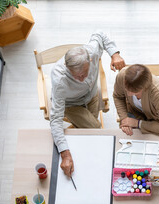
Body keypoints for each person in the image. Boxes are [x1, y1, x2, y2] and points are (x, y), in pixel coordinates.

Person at [50, 31, 125, 177]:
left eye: (84, 73)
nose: (82, 79)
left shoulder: (91, 51)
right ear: (67, 68)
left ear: (90, 60)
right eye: (76, 76)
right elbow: (55, 119)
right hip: (71, 104)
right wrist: (65, 154)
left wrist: (114, 54)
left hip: (91, 95)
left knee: (90, 130)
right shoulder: (59, 81)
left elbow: (99, 34)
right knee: (95, 127)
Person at [113, 64, 159, 136]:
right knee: (125, 135)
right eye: (126, 89)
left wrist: (137, 123)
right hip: (136, 111)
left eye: (134, 92)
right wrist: (124, 119)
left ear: (145, 88)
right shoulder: (122, 76)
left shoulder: (158, 92)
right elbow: (118, 96)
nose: (128, 94)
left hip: (158, 117)